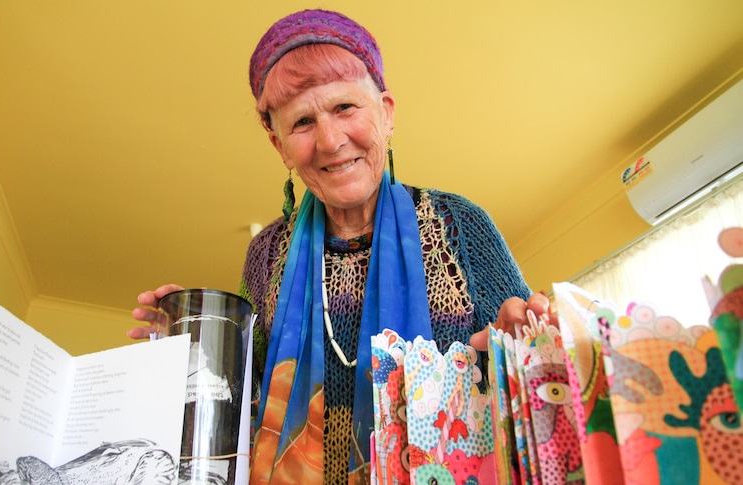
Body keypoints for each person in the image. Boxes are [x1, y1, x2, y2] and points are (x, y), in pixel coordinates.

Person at [128, 8, 554, 484]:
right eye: (303, 122)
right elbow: (243, 398)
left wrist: (519, 343)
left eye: (345, 108)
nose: (330, 141)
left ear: (386, 113)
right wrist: (192, 351)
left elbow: (532, 389)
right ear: (280, 146)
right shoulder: (266, 253)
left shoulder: (462, 225)